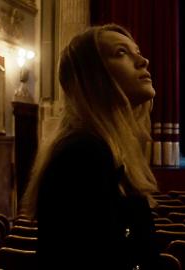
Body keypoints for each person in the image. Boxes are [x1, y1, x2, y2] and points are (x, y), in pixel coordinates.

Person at [21, 24, 160, 269]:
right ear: (91, 77)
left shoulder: (102, 149)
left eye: (137, 51)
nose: (143, 60)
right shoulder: (82, 156)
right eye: (121, 53)